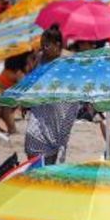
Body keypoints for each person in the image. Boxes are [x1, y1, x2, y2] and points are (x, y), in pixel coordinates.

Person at [24, 28, 79, 165]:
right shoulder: (40, 57)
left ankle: (49, 170)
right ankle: (34, 168)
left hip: (64, 106)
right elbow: (32, 78)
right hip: (41, 104)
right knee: (32, 135)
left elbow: (80, 81)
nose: (43, 48)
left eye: (47, 45)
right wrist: (25, 100)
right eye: (42, 44)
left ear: (58, 44)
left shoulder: (70, 58)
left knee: (57, 142)